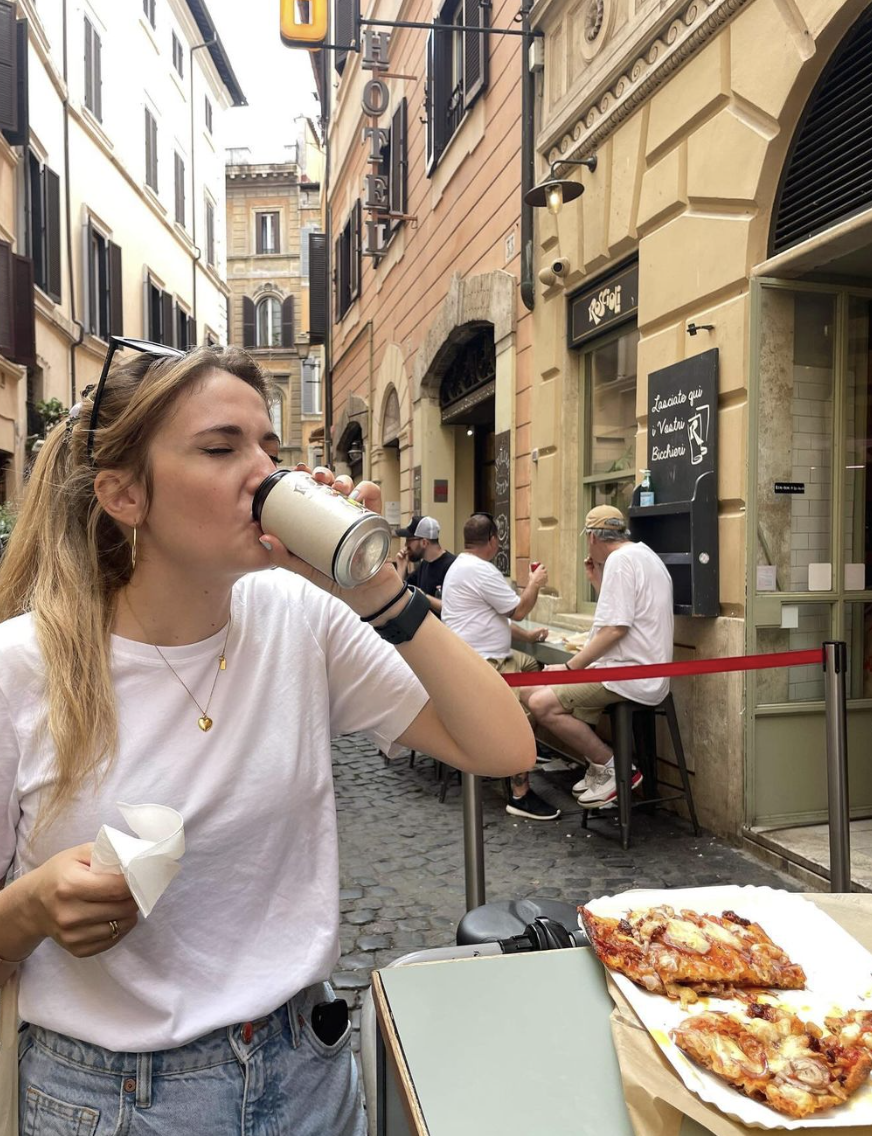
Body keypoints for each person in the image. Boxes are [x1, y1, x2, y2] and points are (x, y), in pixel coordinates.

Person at [0, 343, 535, 1136]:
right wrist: (33, 905)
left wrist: (381, 592)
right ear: (124, 494)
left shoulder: (299, 616)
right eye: (222, 448)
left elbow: (503, 748)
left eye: (270, 450)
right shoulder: (21, 666)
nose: (264, 473)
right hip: (109, 1099)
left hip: (307, 1069)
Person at [524, 505, 673, 810]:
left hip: (629, 676)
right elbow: (624, 614)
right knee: (530, 690)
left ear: (592, 537)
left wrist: (569, 667)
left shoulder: (619, 560)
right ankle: (597, 767)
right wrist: (596, 581)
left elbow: (614, 629)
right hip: (644, 672)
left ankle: (613, 768)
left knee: (539, 702)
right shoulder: (645, 555)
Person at [441, 513, 559, 822]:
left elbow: (492, 618)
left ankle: (532, 743)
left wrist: (529, 637)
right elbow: (518, 610)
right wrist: (534, 583)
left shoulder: (459, 566)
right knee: (526, 711)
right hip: (487, 665)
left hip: (470, 661)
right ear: (493, 539)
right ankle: (519, 790)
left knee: (532, 663)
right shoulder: (482, 570)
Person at [394, 515, 455, 616]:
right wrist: (401, 567)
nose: (406, 545)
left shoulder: (452, 566)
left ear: (424, 542)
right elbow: (398, 594)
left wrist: (423, 597)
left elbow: (453, 608)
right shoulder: (425, 564)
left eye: (409, 540)